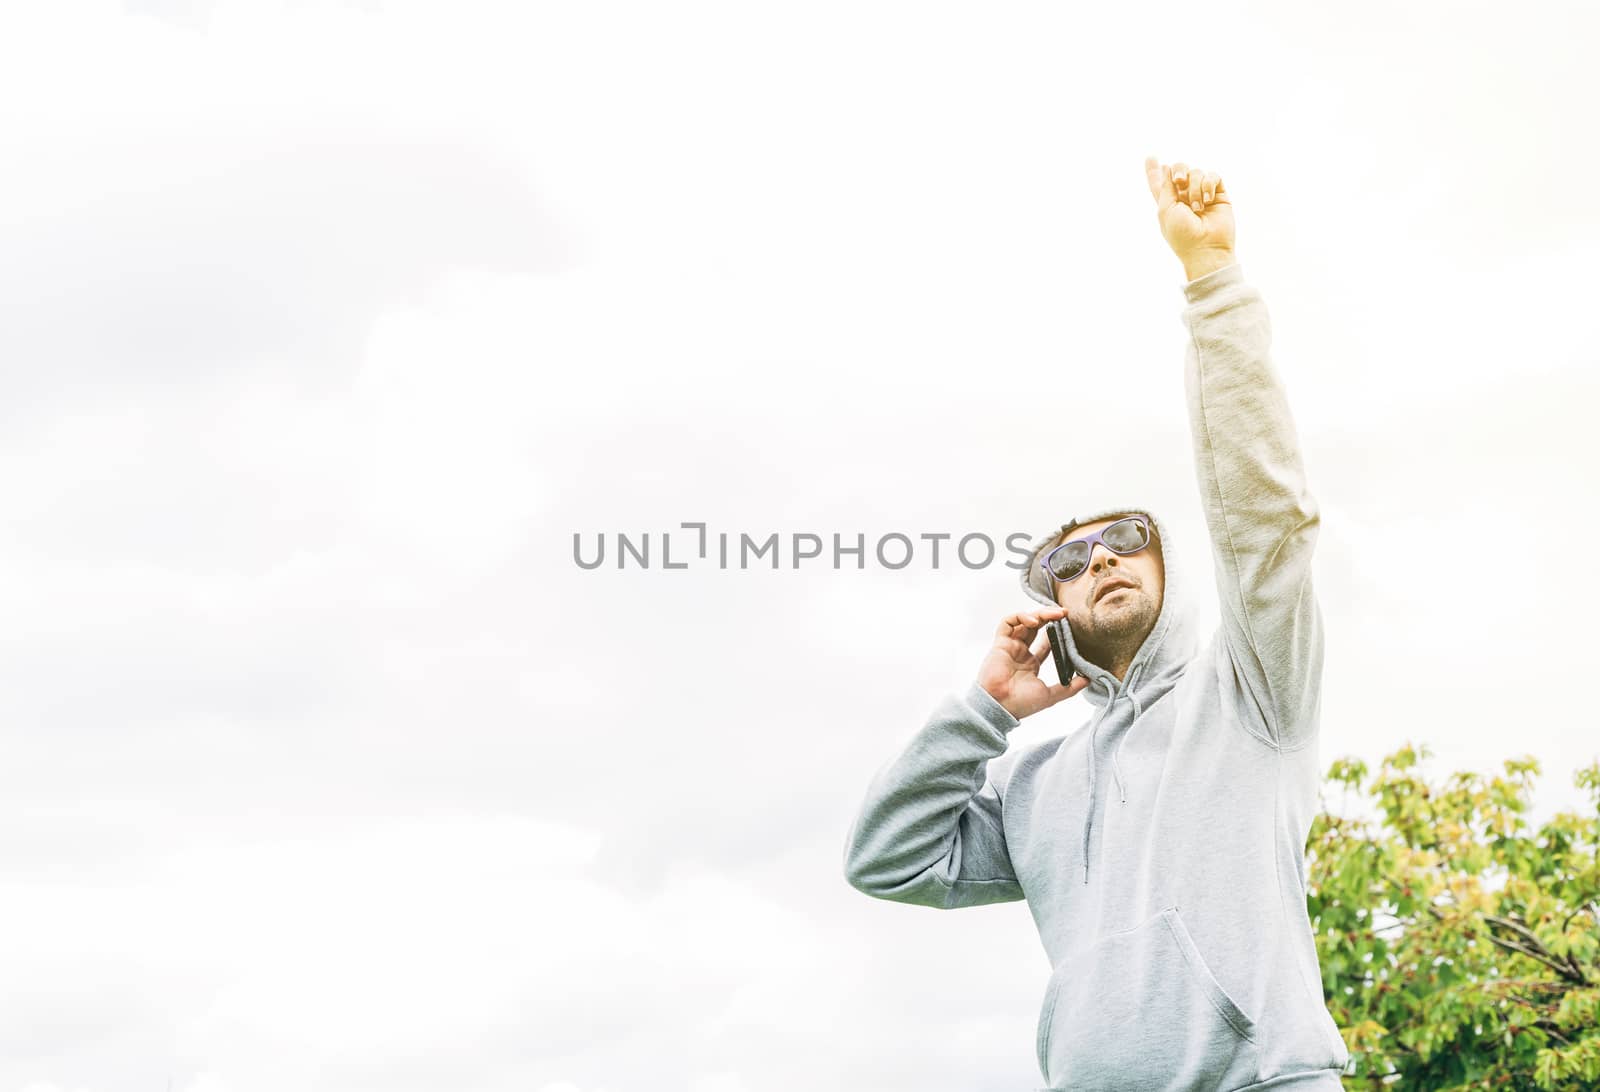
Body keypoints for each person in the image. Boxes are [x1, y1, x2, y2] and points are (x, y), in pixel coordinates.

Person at [842, 157, 1350, 1091]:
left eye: (1126, 538)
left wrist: (1214, 284)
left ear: (1168, 565)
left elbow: (1268, 520)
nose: (1102, 559)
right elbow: (885, 859)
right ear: (1051, 613)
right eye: (1069, 562)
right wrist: (983, 712)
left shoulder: (1252, 693)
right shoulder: (1035, 782)